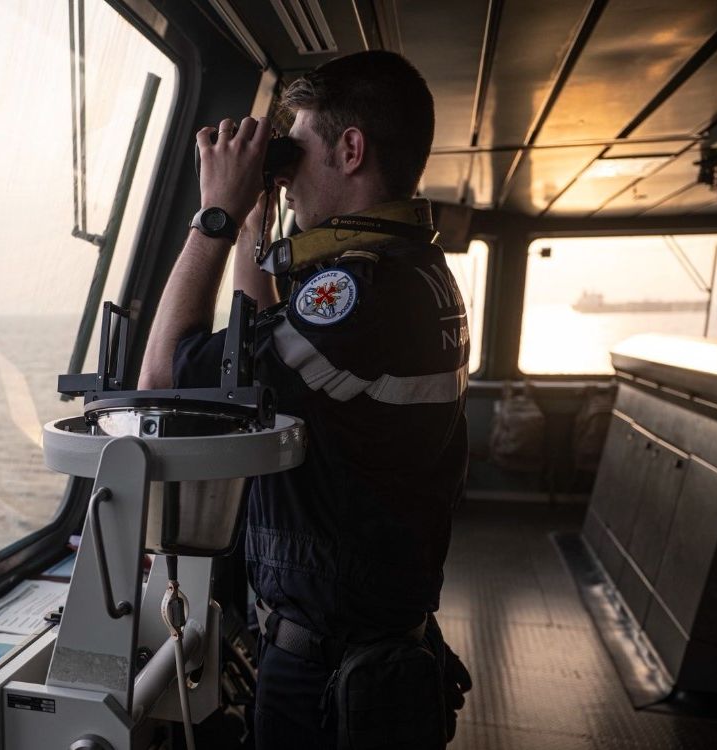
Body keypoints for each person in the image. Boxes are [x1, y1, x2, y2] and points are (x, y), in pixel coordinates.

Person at [139, 50, 470, 749]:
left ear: (351, 150)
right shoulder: (413, 269)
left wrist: (214, 216)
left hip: (330, 677)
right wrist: (252, 227)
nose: (286, 175)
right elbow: (264, 357)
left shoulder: (360, 296)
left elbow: (162, 380)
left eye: (299, 146)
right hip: (371, 654)